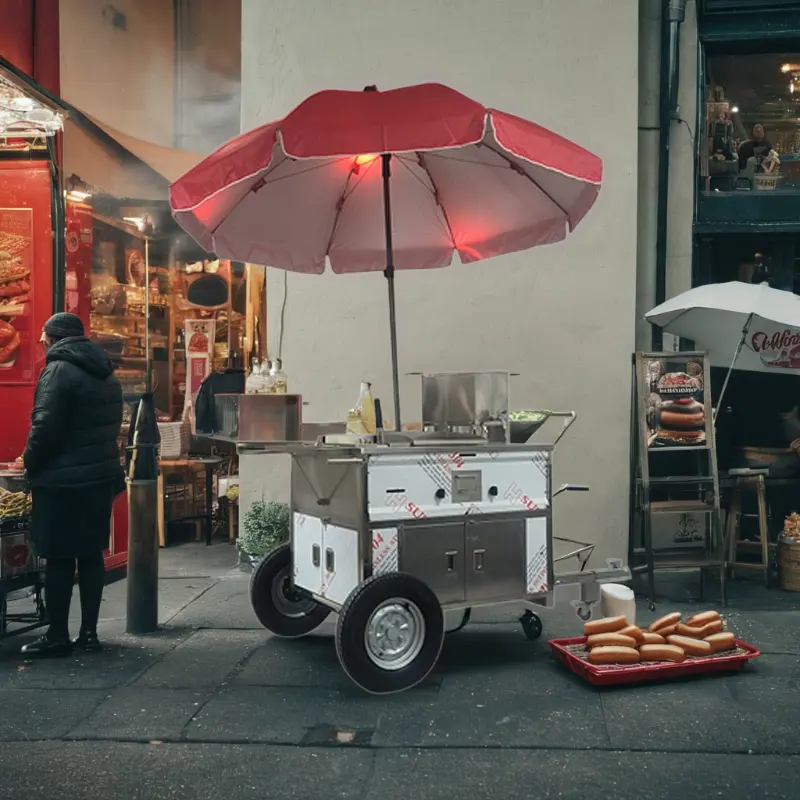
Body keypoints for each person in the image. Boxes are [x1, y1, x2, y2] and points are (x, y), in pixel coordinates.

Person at [21, 313, 124, 658]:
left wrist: (28, 463)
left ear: (53, 338)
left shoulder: (58, 370)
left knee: (59, 558)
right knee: (91, 553)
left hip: (63, 481)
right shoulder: (106, 371)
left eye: (42, 338)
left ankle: (57, 635)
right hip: (99, 477)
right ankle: (90, 633)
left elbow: (45, 427)